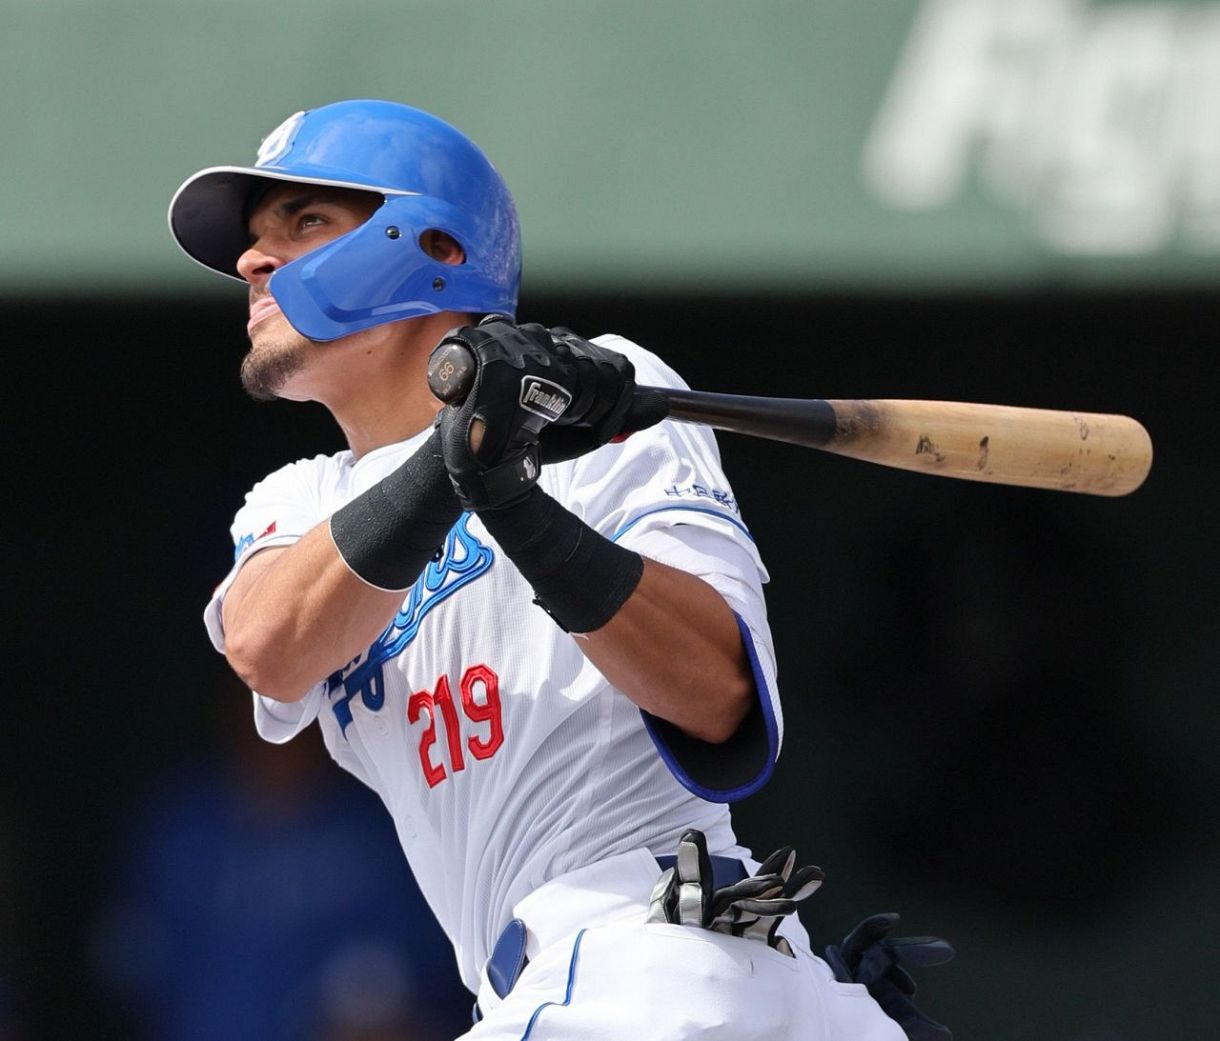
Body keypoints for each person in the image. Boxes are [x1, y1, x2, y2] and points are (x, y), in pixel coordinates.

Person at [169, 99, 949, 1040]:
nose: (253, 261)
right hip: (579, 985)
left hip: (654, 955)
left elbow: (718, 696)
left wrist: (517, 500)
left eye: (305, 222)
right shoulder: (296, 502)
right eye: (255, 237)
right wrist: (464, 457)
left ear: (438, 248)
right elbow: (271, 647)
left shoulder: (603, 396)